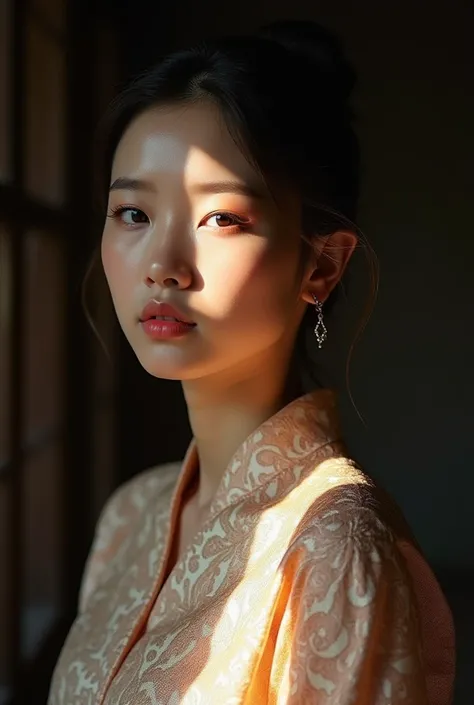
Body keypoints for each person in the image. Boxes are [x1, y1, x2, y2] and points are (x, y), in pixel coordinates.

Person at [48, 20, 455, 705]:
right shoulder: (130, 515)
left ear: (321, 264)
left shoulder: (334, 545)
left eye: (222, 218)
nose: (163, 267)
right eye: (133, 213)